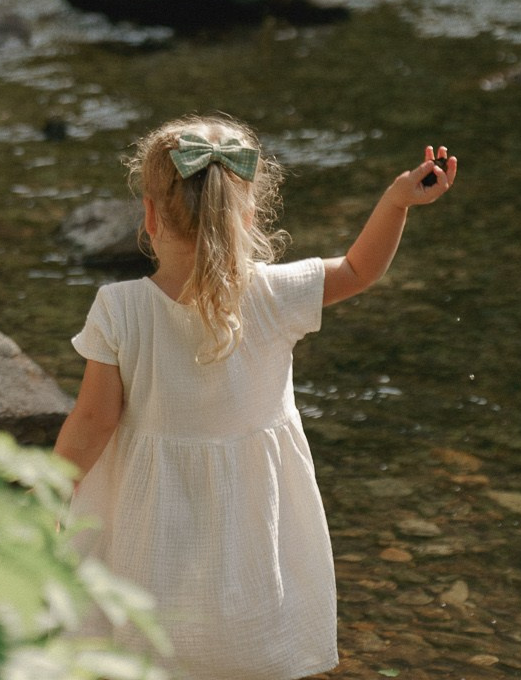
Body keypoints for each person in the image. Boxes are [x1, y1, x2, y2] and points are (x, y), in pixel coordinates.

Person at [54, 115, 460, 680]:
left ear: (149, 216)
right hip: (249, 512)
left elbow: (95, 420)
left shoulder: (119, 308)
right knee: (247, 635)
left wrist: (48, 491)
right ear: (246, 215)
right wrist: (396, 203)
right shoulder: (275, 294)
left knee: (149, 641)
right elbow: (360, 269)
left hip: (151, 516)